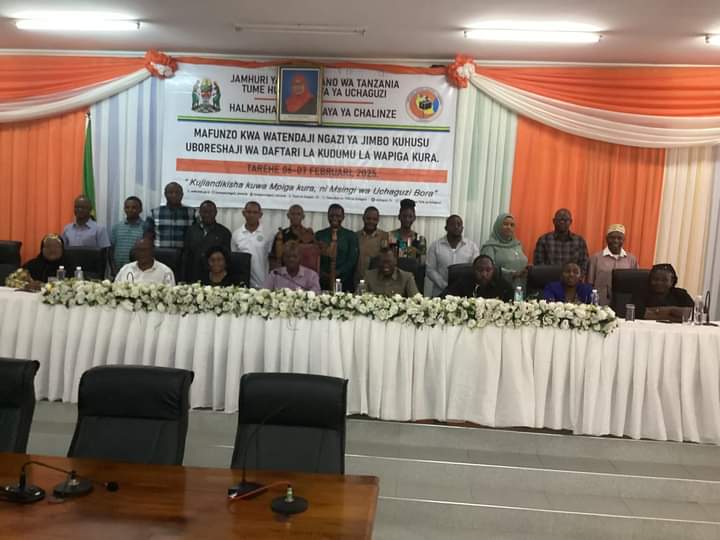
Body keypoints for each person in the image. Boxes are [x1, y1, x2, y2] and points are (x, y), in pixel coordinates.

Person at [426, 215, 479, 297]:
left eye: (459, 224)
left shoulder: (472, 247)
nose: (456, 227)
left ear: (462, 228)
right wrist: (445, 285)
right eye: (452, 224)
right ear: (446, 228)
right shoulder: (435, 246)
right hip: (440, 292)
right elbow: (430, 270)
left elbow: (475, 269)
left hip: (464, 294)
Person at [587, 224, 639, 306]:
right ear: (607, 239)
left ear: (624, 240)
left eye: (619, 238)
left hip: (623, 303)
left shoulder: (631, 259)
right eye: (612, 237)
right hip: (600, 303)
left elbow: (635, 284)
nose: (616, 241)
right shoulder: (596, 258)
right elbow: (589, 283)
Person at [183, 200, 232, 283]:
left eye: (211, 212)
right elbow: (186, 256)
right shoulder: (191, 231)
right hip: (193, 275)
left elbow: (226, 259)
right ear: (200, 213)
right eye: (205, 212)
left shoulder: (224, 232)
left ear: (216, 213)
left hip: (214, 278)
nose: (208, 214)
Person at [315, 204, 359, 292]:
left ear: (343, 217)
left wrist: (338, 272)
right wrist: (322, 273)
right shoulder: (319, 235)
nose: (334, 218)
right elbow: (315, 257)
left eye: (338, 216)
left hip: (345, 280)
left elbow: (352, 260)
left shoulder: (350, 236)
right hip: (323, 280)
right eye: (331, 216)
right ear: (328, 216)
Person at [480, 213, 529, 288]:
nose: (509, 227)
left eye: (512, 225)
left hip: (520, 286)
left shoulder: (517, 245)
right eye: (505, 224)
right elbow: (488, 270)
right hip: (500, 288)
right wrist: (512, 274)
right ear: (498, 226)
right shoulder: (490, 247)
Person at [533, 209, 589, 273]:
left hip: (572, 278)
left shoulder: (580, 241)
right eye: (559, 219)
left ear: (570, 222)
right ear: (554, 221)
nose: (562, 222)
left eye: (565, 220)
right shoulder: (543, 240)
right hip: (549, 278)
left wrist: (576, 276)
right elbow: (538, 264)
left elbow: (584, 263)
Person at [231, 201, 272, 288]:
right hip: (242, 283)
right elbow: (234, 260)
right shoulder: (236, 234)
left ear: (260, 215)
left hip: (262, 283)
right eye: (249, 212)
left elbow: (272, 259)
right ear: (244, 213)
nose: (251, 215)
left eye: (255, 212)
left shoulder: (268, 234)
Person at [145, 182, 196, 249]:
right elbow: (148, 235)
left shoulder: (192, 213)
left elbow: (196, 236)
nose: (174, 195)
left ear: (182, 195)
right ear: (165, 194)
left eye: (177, 192)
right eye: (170, 192)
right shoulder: (154, 213)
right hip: (160, 253)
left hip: (183, 253)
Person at [441, 255, 513, 301]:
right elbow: (443, 298)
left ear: (493, 270)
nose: (484, 274)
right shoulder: (463, 282)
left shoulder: (501, 284)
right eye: (480, 270)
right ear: (473, 269)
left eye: (488, 270)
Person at [110, 196, 145, 273]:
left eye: (134, 207)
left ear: (140, 209)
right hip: (118, 270)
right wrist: (113, 269)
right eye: (127, 207)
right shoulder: (117, 227)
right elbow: (111, 250)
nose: (130, 210)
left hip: (139, 271)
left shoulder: (145, 228)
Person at [356, 206, 389, 284]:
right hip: (357, 279)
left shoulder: (385, 236)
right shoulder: (355, 236)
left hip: (377, 281)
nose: (371, 221)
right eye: (368, 218)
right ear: (363, 218)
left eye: (374, 219)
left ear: (378, 220)